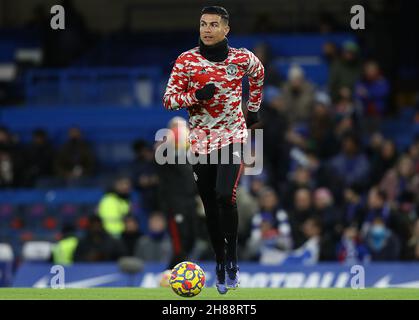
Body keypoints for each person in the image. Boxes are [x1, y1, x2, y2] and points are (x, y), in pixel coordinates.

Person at [163, 6, 264, 294]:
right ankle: (220, 262)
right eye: (203, 24)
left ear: (226, 29)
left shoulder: (241, 58)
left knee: (224, 194)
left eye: (213, 24)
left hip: (232, 135)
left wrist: (253, 108)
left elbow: (259, 73)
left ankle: (231, 260)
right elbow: (169, 100)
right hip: (200, 141)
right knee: (209, 205)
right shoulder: (186, 61)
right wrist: (196, 95)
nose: (206, 29)